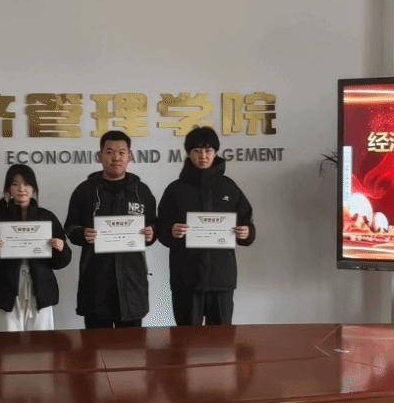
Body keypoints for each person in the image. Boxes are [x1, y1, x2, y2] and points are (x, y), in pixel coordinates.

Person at [157, 126, 256, 326]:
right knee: (186, 338)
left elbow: (246, 220)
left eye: (208, 150)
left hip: (222, 277)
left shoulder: (229, 187)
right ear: (188, 153)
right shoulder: (175, 190)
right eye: (197, 151)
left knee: (222, 338)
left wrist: (247, 232)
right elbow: (160, 227)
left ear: (216, 152)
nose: (203, 156)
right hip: (186, 277)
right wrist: (171, 231)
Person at [64, 130, 159, 329]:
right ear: (100, 156)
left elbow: (154, 225)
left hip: (132, 282)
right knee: (96, 344)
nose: (116, 157)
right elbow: (70, 227)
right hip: (96, 282)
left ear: (129, 157)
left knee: (132, 345)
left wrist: (151, 232)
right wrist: (82, 234)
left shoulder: (141, 191)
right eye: (109, 152)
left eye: (122, 152)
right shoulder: (85, 191)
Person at [0, 164, 72, 331]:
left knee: (42, 341)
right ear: (8, 188)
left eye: (27, 184)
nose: (21, 189)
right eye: (15, 184)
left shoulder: (46, 217)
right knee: (9, 341)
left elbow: (61, 262)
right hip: (7, 288)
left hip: (41, 287)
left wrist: (61, 249)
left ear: (34, 188)